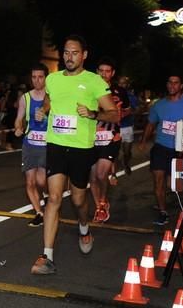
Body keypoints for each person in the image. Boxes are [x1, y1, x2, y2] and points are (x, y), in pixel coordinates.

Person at [31, 35, 118, 275]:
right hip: (56, 145)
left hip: (81, 149)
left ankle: (84, 227)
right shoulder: (53, 79)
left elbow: (113, 114)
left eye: (75, 53)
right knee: (54, 198)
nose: (70, 57)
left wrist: (92, 113)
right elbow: (49, 101)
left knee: (79, 200)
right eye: (66, 53)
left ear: (84, 55)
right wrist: (43, 111)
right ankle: (46, 256)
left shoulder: (94, 81)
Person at [138, 75, 183, 226]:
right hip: (160, 146)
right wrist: (143, 141)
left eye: (176, 83)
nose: (172, 85)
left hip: (179, 149)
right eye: (170, 82)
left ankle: (171, 200)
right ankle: (163, 212)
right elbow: (151, 124)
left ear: (181, 86)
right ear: (167, 85)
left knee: (175, 185)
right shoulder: (158, 105)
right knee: (158, 179)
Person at [89, 58, 129, 223]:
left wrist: (118, 116)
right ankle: (99, 207)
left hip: (111, 137)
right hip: (90, 138)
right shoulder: (89, 89)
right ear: (97, 72)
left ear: (112, 73)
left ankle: (103, 200)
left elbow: (127, 110)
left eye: (108, 71)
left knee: (101, 174)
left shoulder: (119, 91)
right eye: (101, 70)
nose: (104, 74)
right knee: (92, 177)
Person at [14, 64, 49, 227]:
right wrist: (18, 127)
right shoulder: (25, 98)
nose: (37, 80)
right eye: (34, 77)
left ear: (46, 78)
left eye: (40, 77)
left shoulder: (52, 97)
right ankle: (39, 213)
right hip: (30, 144)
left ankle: (48, 194)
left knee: (41, 181)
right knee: (30, 182)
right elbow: (19, 117)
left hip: (47, 145)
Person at [117, 75, 139, 175]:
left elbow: (135, 110)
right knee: (114, 151)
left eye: (124, 83)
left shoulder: (132, 97)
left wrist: (128, 111)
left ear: (127, 84)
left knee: (127, 151)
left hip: (127, 127)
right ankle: (113, 171)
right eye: (120, 83)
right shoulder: (112, 95)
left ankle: (126, 162)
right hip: (116, 127)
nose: (121, 85)